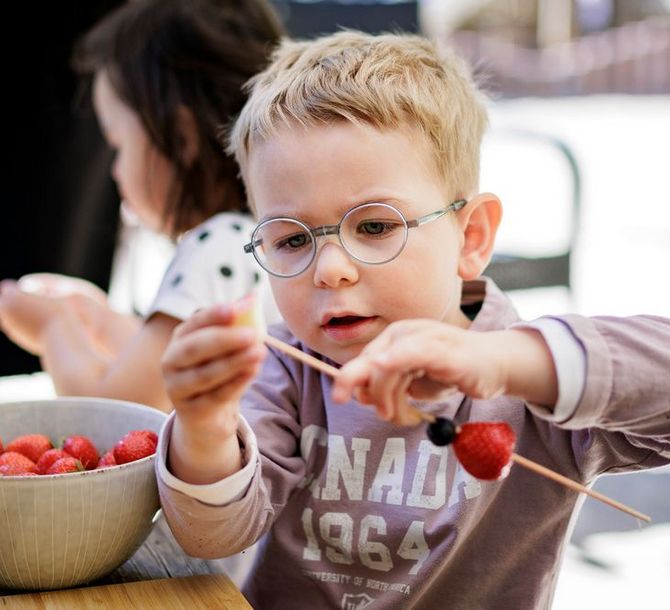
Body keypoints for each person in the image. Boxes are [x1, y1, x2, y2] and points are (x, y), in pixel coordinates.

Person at [154, 30, 670, 609]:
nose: (329, 270)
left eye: (374, 226)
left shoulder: (531, 375)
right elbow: (212, 535)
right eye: (292, 239)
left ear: (471, 237)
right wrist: (204, 428)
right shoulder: (285, 371)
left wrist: (506, 362)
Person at [0, 0, 285, 411]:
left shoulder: (217, 247)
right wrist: (99, 321)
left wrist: (54, 328)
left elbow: (118, 407)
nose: (113, 172)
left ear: (180, 139)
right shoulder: (251, 236)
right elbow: (165, 365)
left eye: (118, 146)